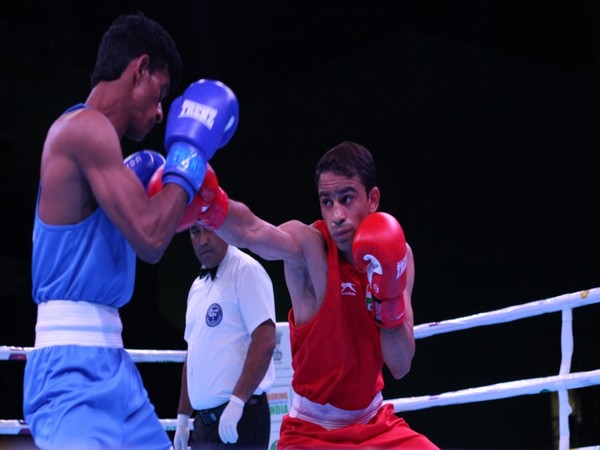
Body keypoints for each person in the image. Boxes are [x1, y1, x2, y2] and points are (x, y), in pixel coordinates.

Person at [23, 12, 238, 449]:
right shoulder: (83, 129)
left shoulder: (115, 166)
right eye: (160, 93)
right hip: (69, 373)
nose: (161, 112)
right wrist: (190, 154)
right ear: (138, 69)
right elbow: (152, 238)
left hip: (114, 368)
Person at [191, 141, 439, 448]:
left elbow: (401, 366)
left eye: (347, 199)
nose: (336, 215)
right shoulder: (310, 248)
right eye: (327, 201)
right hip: (312, 432)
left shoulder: (398, 255)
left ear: (372, 199)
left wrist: (387, 301)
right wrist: (212, 206)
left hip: (375, 424)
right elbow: (253, 232)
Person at [173, 223, 276, 450]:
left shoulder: (246, 271)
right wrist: (182, 417)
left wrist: (237, 402)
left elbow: (266, 338)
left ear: (226, 228)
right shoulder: (196, 287)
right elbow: (194, 354)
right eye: (195, 231)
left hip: (241, 417)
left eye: (209, 229)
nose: (203, 240)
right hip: (204, 424)